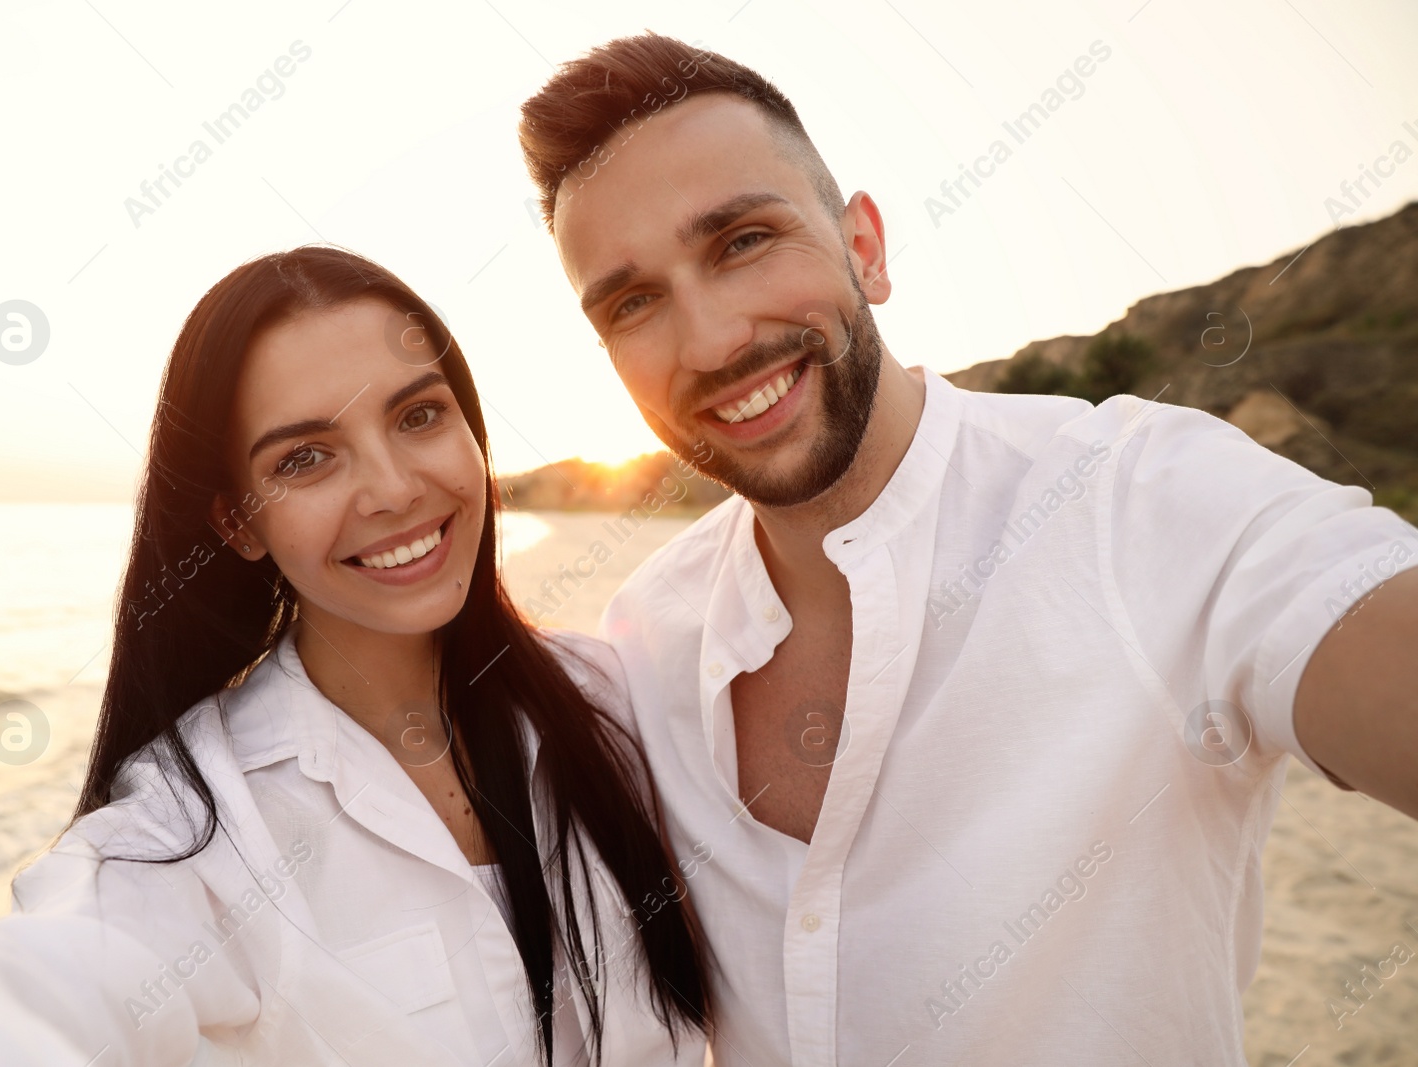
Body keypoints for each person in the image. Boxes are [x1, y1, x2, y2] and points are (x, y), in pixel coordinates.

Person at [517, 32, 1418, 1066]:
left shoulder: (1140, 501)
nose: (712, 340)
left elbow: (1339, 596)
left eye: (743, 241)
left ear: (865, 246)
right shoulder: (643, 635)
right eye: (633, 301)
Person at [0, 247, 710, 1066]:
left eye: (419, 415)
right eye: (308, 458)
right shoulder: (198, 823)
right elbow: (69, 972)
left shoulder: (612, 698)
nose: (395, 489)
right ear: (238, 522)